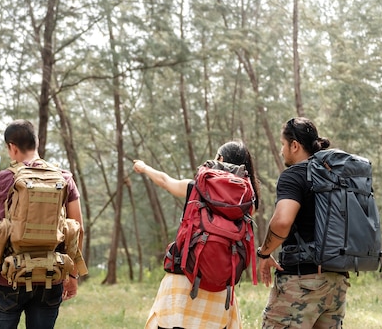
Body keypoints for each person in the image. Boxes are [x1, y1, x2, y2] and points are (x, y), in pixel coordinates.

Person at [133, 140, 260, 329]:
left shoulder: (195, 188)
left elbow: (165, 181)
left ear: (221, 159)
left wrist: (144, 167)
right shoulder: (248, 202)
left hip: (182, 279)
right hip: (220, 289)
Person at [0, 119, 84, 329]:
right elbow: (77, 227)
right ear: (37, 142)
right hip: (51, 275)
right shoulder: (64, 178)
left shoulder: (1, 179)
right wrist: (73, 273)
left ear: (12, 147)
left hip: (8, 275)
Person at [257, 117, 350, 329]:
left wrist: (264, 253)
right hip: (336, 282)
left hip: (302, 282)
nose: (282, 151)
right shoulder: (334, 175)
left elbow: (282, 221)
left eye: (283, 144)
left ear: (295, 145)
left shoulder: (293, 175)